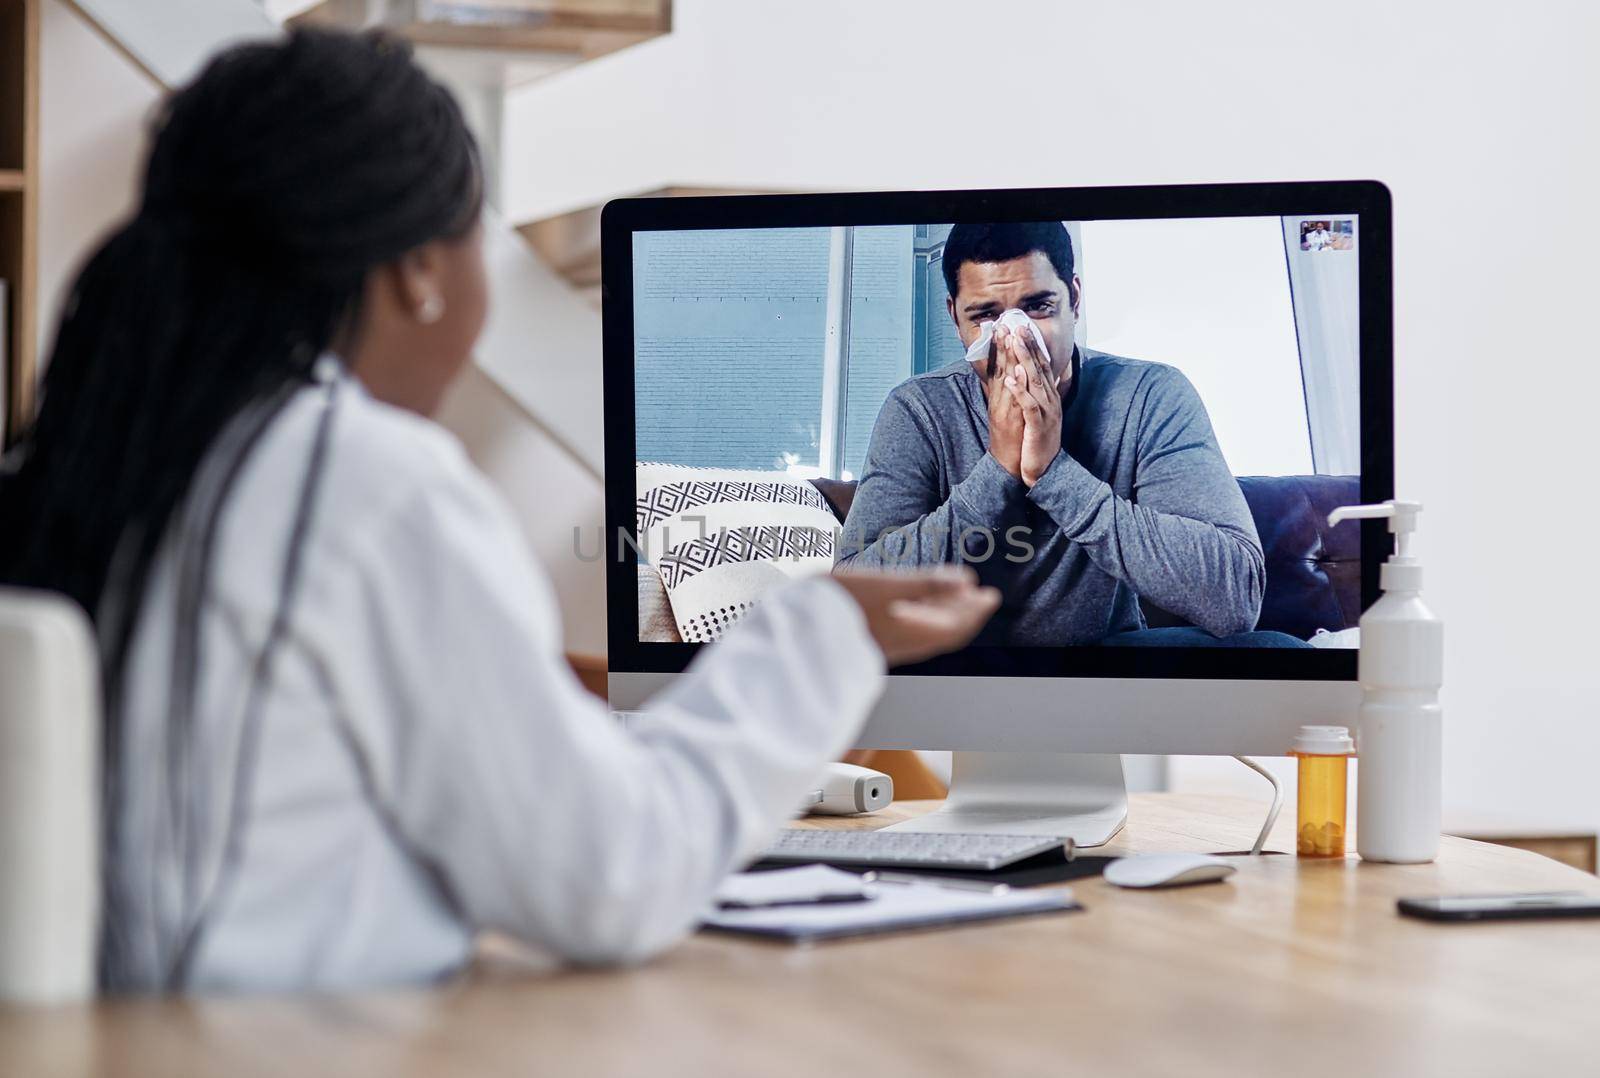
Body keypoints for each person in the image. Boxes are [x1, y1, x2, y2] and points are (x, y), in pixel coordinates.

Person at [0, 30, 998, 994]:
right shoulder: (365, 484)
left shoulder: (107, 460)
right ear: (420, 272)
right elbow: (612, 874)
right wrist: (824, 626)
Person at [837, 221, 1305, 649]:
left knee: (1280, 653)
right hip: (957, 667)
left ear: (1075, 300)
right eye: (985, 316)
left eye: (1038, 307)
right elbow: (852, 602)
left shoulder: (1147, 395)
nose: (1015, 338)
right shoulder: (918, 410)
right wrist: (997, 472)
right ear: (955, 319)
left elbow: (1235, 598)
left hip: (1102, 662)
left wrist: (1054, 473)